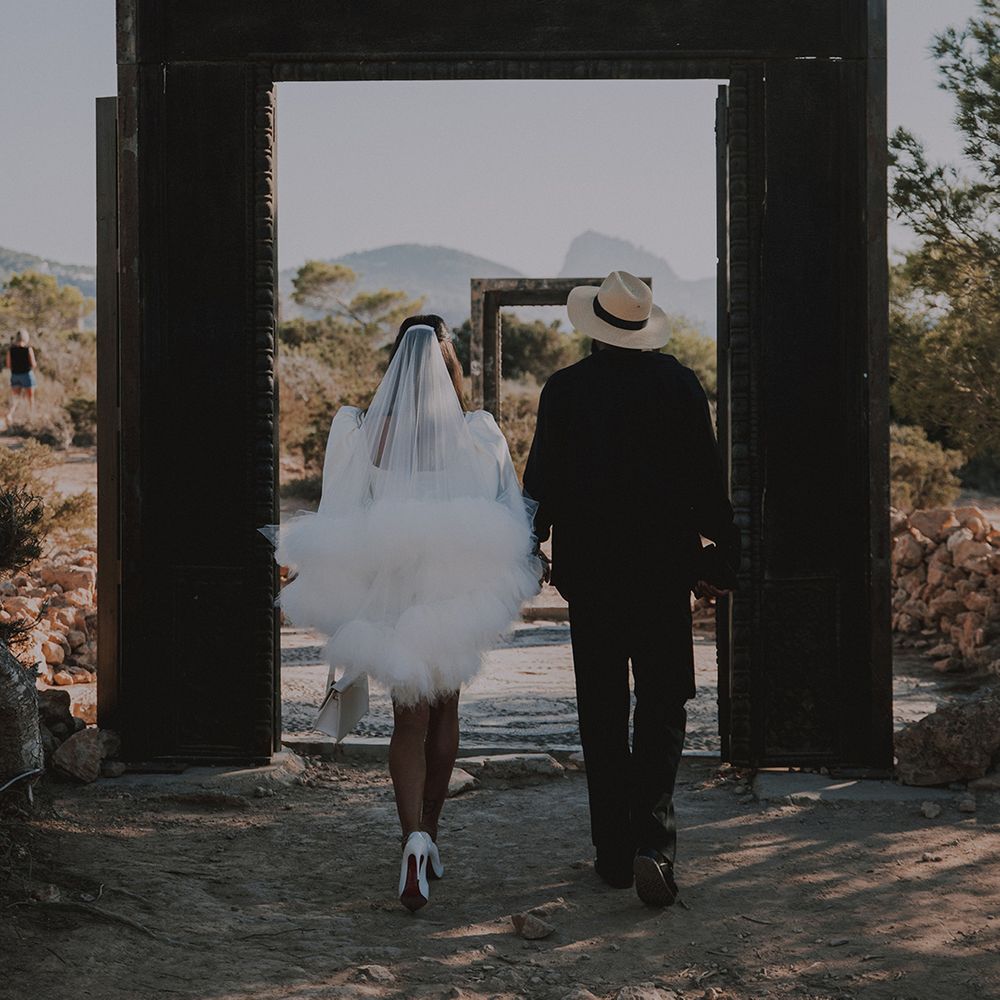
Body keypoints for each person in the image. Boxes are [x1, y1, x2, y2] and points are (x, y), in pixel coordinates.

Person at [264, 315, 539, 912]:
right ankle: (432, 838)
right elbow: (509, 514)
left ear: (395, 366)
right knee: (446, 713)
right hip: (457, 594)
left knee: (406, 723)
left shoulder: (359, 431)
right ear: (451, 370)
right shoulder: (480, 433)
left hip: (393, 594)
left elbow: (339, 513)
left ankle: (409, 838)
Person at [523, 270, 739, 907]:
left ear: (593, 328)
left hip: (590, 579)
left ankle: (613, 856)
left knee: (601, 710)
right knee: (665, 704)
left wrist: (526, 546)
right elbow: (706, 481)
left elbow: (541, 485)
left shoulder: (563, 390)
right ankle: (654, 843)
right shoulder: (678, 384)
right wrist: (721, 553)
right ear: (644, 327)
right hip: (661, 575)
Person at [6, 329, 38, 424]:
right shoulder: (28, 349)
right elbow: (33, 364)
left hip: (15, 375)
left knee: (15, 399)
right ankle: (31, 417)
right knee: (30, 399)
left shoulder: (11, 350)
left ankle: (10, 415)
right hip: (26, 375)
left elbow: (8, 365)